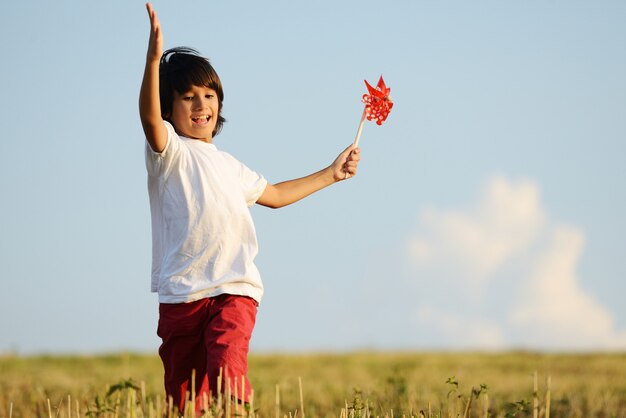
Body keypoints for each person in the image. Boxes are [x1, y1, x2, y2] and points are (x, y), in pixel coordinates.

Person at [139, 3, 361, 413]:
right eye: (187, 97)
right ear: (169, 108)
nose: (201, 104)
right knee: (185, 401)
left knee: (228, 369)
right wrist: (153, 61)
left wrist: (331, 173)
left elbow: (274, 194)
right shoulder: (169, 154)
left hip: (233, 288)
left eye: (209, 95)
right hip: (181, 297)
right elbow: (150, 121)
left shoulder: (230, 165)